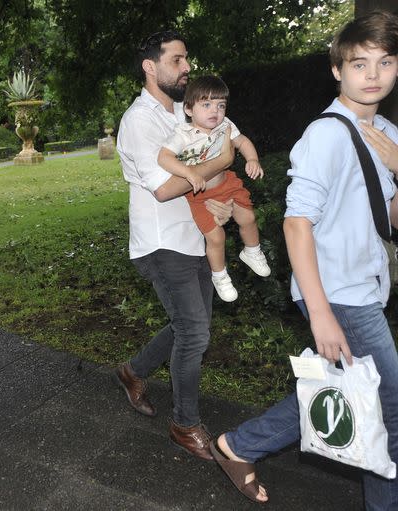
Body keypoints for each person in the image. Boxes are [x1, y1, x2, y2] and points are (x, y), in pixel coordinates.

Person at [210, 11, 398, 506]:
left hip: (364, 284)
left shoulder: (386, 134)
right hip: (338, 292)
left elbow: (391, 217)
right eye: (360, 64)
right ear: (338, 70)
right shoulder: (327, 136)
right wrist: (320, 314)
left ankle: (237, 445)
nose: (373, 74)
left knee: (349, 386)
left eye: (386, 61)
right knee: (388, 405)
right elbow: (296, 224)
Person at [113, 30, 235, 461]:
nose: (187, 68)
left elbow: (203, 178)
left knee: (192, 323)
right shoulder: (139, 121)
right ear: (151, 66)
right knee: (195, 330)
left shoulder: (185, 115)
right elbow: (165, 188)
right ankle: (184, 424)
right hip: (161, 241)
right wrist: (223, 160)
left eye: (187, 59)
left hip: (195, 235)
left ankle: (134, 371)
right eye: (178, 60)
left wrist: (220, 202)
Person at [157, 76, 271, 302]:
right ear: (189, 109)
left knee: (248, 217)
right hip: (199, 196)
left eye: (221, 105)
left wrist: (252, 159)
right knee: (216, 237)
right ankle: (220, 276)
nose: (215, 111)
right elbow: (164, 158)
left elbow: (243, 142)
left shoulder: (226, 125)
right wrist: (190, 173)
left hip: (227, 183)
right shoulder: (183, 134)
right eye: (206, 104)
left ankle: (252, 251)